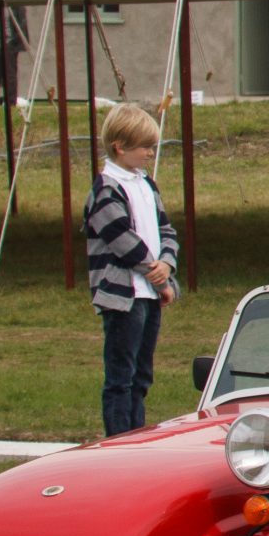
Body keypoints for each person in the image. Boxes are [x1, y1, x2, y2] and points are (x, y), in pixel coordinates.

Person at [85, 103, 180, 437]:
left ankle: (137, 435)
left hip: (149, 293)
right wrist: (155, 272)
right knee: (120, 377)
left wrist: (167, 264)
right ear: (119, 147)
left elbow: (166, 230)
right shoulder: (106, 189)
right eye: (144, 147)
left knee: (142, 374)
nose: (149, 153)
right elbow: (120, 238)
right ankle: (118, 439)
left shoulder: (146, 184)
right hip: (123, 296)